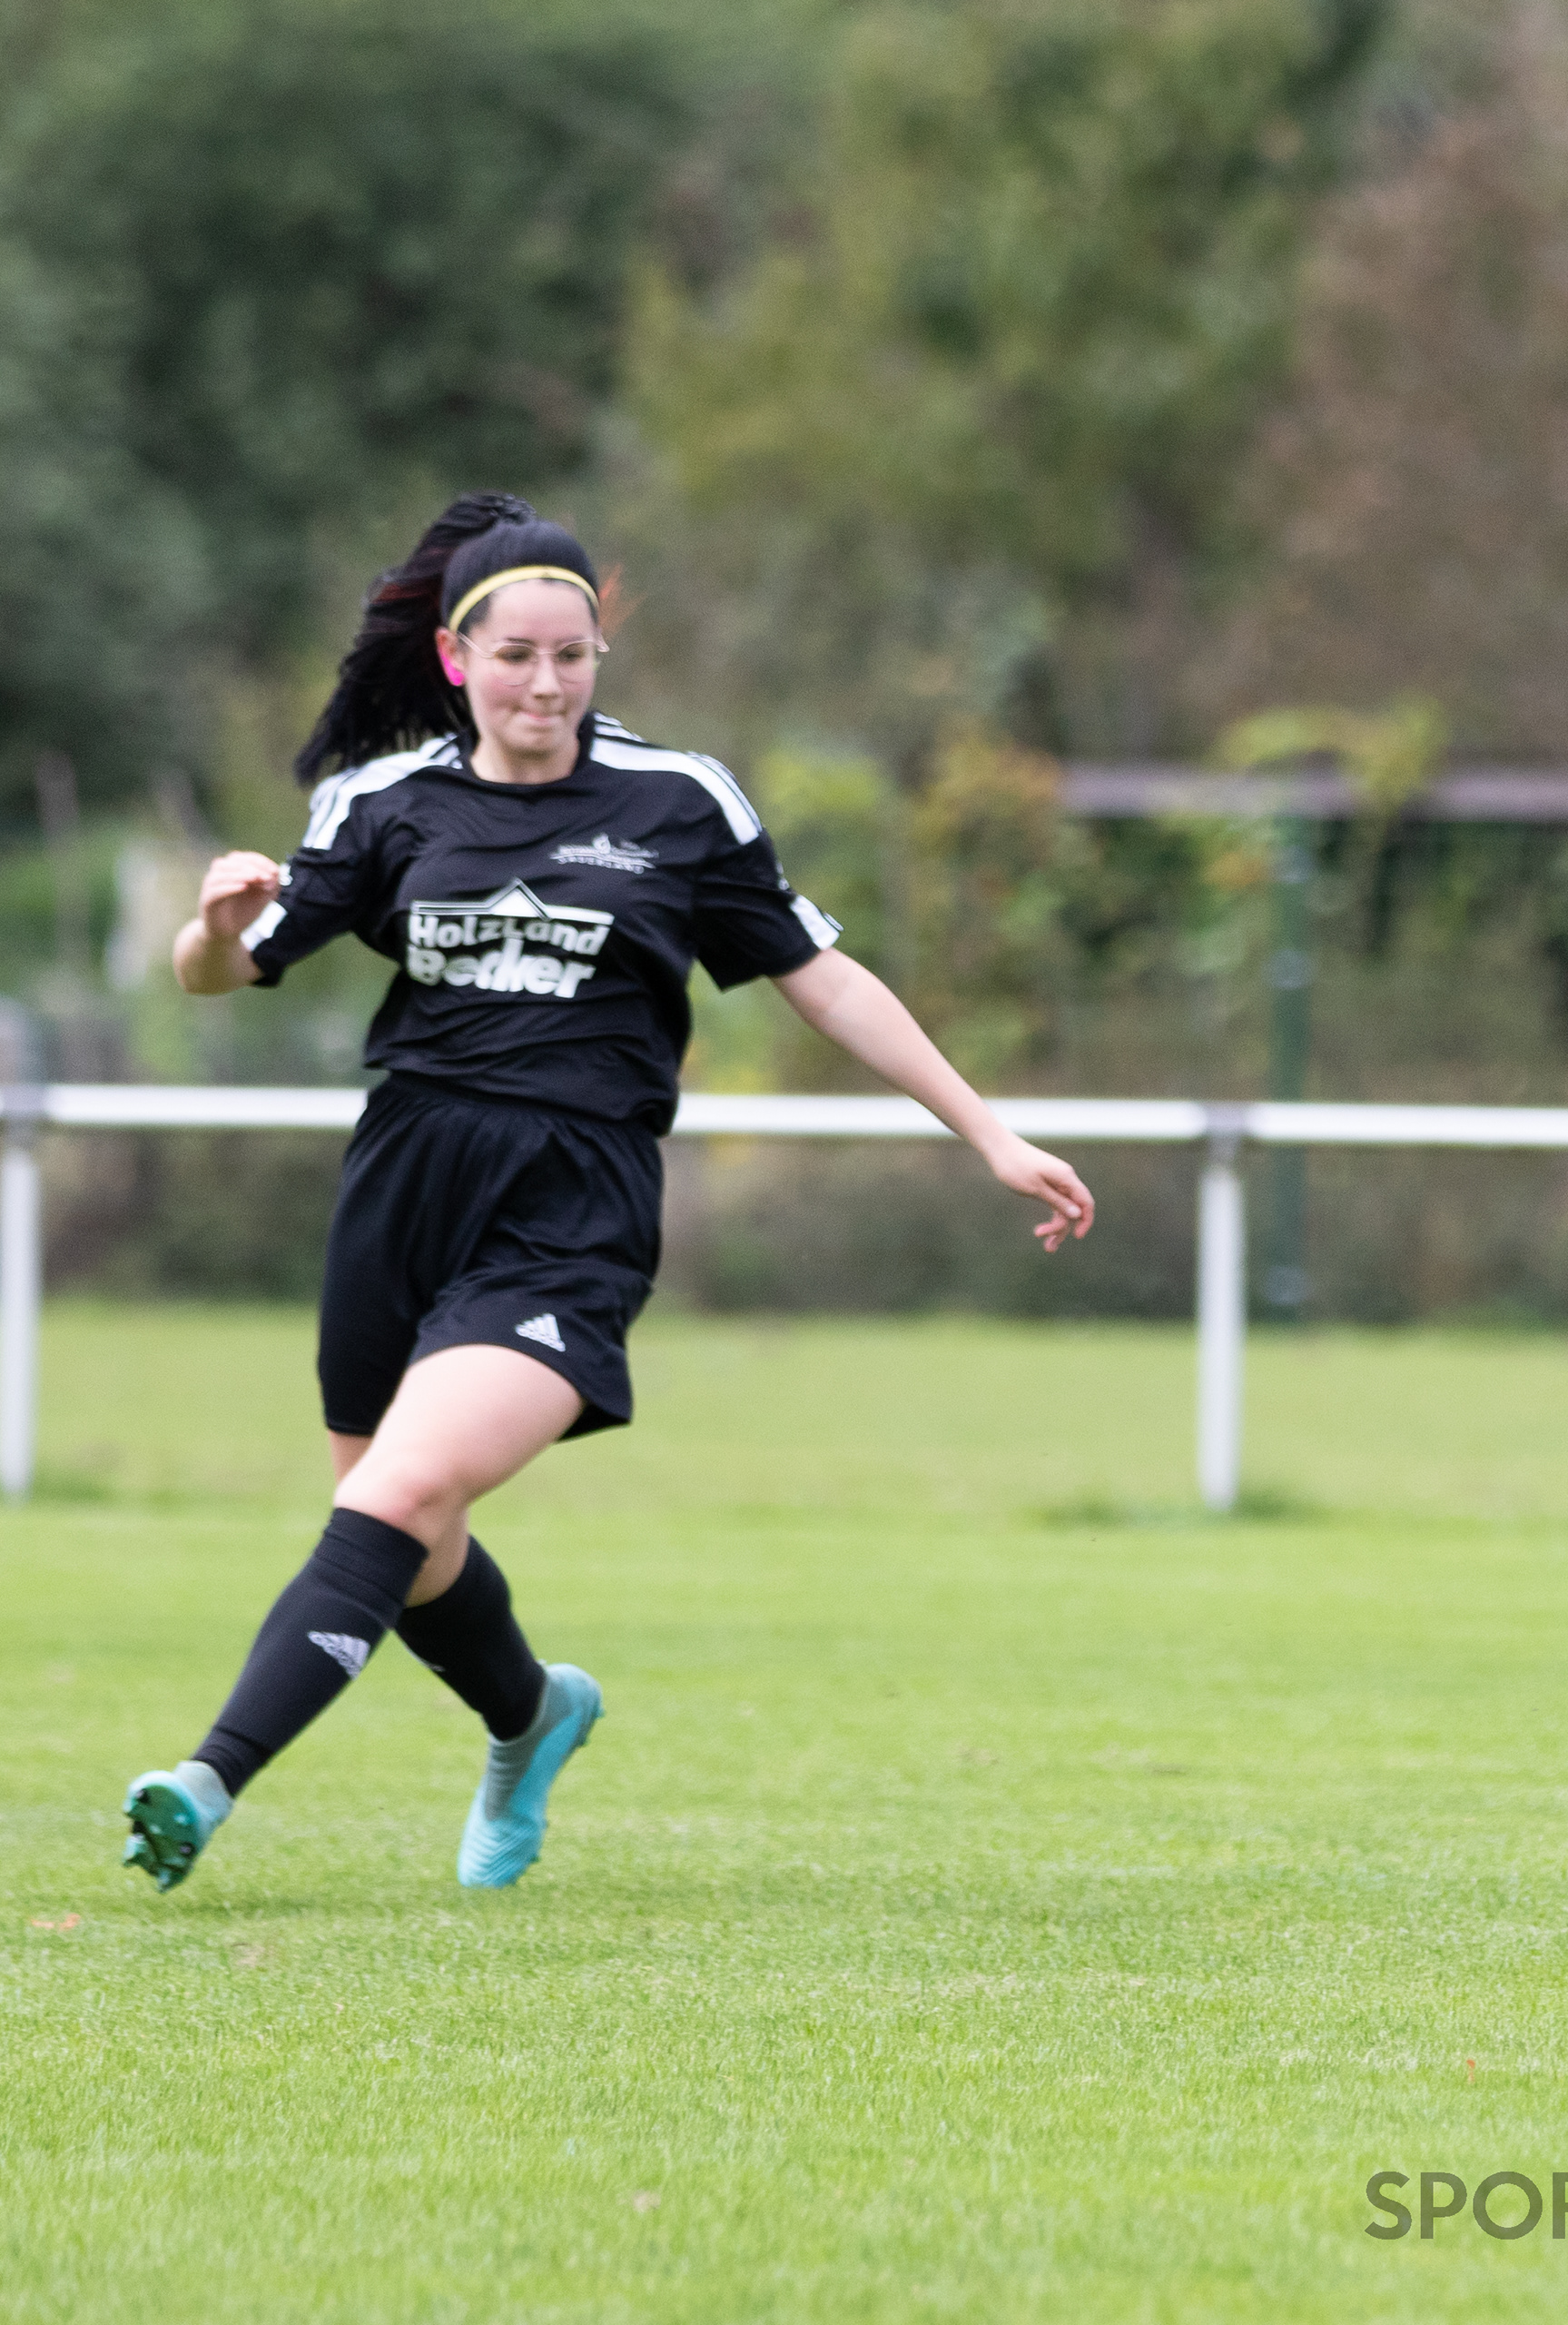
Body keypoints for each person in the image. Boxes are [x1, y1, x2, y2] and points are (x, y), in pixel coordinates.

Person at [119, 492, 1096, 1895]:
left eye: (571, 655)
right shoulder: (383, 803)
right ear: (457, 658)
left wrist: (987, 1132)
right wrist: (213, 929)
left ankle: (206, 1782)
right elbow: (221, 975)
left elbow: (822, 979)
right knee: (405, 1529)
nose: (547, 684)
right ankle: (532, 1717)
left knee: (398, 1493)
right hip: (402, 1187)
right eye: (517, 656)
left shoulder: (677, 801)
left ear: (599, 656)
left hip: (571, 1204)